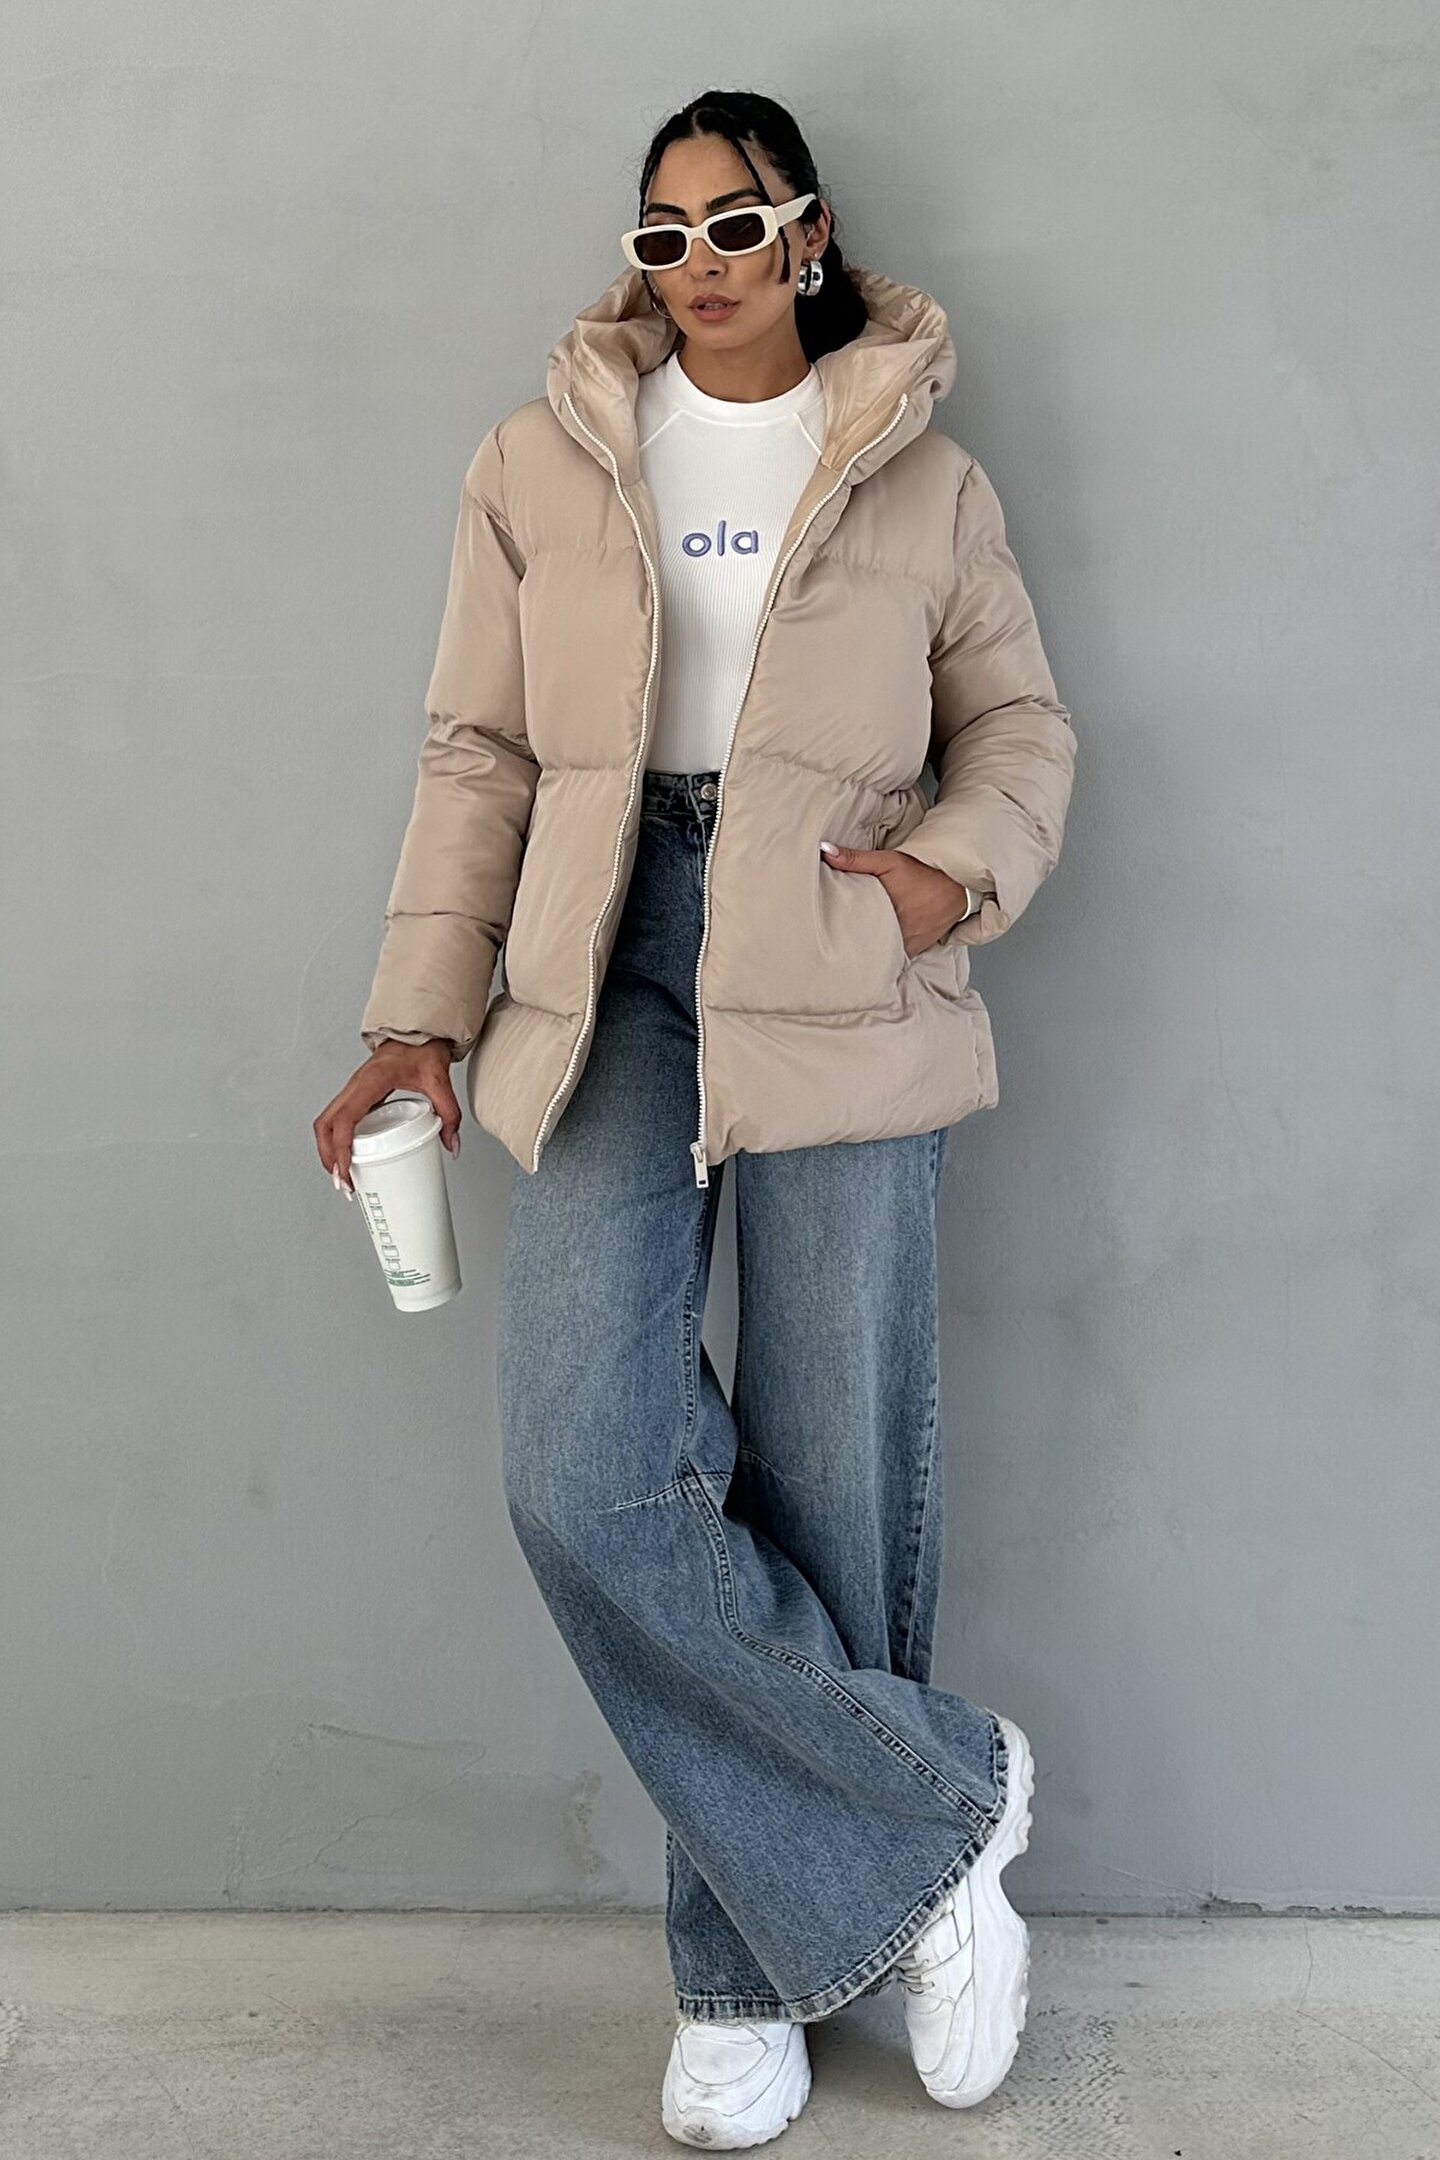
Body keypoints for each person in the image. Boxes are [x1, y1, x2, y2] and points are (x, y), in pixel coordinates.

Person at [315, 87, 1074, 2150]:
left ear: (809, 234)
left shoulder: (920, 467)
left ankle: (743, 1981)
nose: (702, 262)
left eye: (737, 222)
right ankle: (946, 1811)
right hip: (606, 953)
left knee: (834, 1466)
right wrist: (418, 1018)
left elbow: (1019, 724)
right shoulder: (543, 457)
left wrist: (942, 882)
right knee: (586, 1468)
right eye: (665, 233)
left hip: (832, 946)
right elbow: (478, 752)